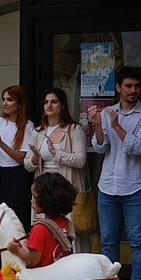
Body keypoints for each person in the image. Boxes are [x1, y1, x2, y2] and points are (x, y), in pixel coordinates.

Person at [89, 67, 141, 280]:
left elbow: (139, 147)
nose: (133, 91)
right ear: (118, 88)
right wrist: (98, 124)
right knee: (108, 240)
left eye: (136, 86)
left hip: (136, 186)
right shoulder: (108, 113)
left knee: (138, 240)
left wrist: (117, 126)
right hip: (108, 185)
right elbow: (100, 147)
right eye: (128, 86)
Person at [27, 88, 91, 251]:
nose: (49, 105)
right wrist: (35, 159)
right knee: (45, 230)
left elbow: (81, 160)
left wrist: (57, 154)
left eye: (54, 101)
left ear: (62, 105)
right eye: (46, 102)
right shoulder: (37, 131)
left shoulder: (74, 129)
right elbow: (27, 164)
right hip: (43, 188)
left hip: (66, 187)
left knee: (68, 231)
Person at [0, 85, 35, 235]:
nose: (5, 103)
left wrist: (1, 144)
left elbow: (22, 158)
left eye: (10, 100)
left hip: (16, 176)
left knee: (15, 219)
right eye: (4, 99)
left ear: (19, 104)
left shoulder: (27, 125)